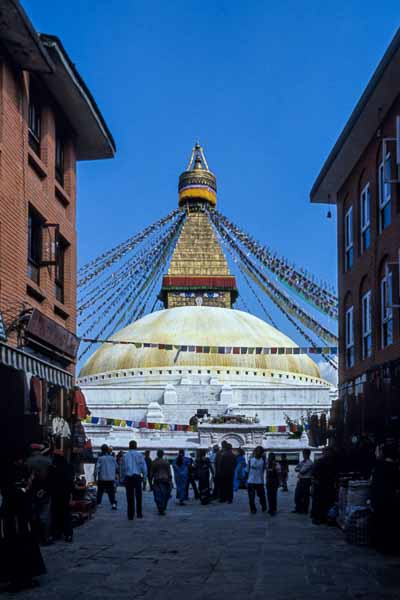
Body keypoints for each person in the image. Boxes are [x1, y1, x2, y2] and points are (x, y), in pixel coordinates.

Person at [0, 456, 46, 592]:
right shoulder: (13, 480)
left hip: (15, 518)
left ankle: (19, 577)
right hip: (16, 519)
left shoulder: (14, 476)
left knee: (16, 546)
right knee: (18, 546)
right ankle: (19, 579)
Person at [370, 443, 400, 554]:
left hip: (380, 499)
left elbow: (374, 484)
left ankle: (381, 545)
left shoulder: (379, 466)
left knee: (381, 522)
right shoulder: (396, 467)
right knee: (390, 523)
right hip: (392, 499)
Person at [26, 444, 53, 544]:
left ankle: (34, 537)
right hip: (45, 490)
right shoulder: (48, 460)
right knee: (45, 515)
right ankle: (45, 538)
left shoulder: (28, 461)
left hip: (32, 491)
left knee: (33, 515)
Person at [49, 454, 74, 542]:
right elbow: (71, 482)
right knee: (66, 514)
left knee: (56, 514)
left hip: (55, 494)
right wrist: (71, 495)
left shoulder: (53, 468)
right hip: (65, 494)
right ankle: (68, 534)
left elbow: (50, 481)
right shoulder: (69, 467)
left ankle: (57, 533)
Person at [310, 448, 337, 525]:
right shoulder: (322, 462)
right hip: (322, 485)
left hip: (325, 485)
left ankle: (320, 518)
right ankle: (319, 518)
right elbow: (314, 475)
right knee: (321, 502)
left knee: (322, 502)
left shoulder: (330, 462)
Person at [121, 440, 147, 520]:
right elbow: (144, 467)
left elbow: (123, 468)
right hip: (137, 477)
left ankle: (130, 515)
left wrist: (122, 478)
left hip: (128, 477)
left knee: (129, 496)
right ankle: (139, 513)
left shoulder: (125, 456)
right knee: (138, 496)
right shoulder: (140, 455)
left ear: (129, 446)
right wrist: (145, 477)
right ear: (136, 446)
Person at [94, 444, 117, 510]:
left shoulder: (100, 458)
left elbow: (97, 468)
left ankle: (99, 503)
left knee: (100, 491)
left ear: (101, 450)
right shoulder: (112, 458)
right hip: (110, 478)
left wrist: (95, 476)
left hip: (102, 478)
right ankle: (113, 504)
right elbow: (117, 467)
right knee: (111, 492)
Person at [151, 450, 173, 515]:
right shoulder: (166, 462)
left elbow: (151, 473)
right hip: (165, 480)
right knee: (165, 495)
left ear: (157, 454)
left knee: (158, 495)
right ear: (162, 454)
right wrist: (170, 481)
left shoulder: (154, 462)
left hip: (157, 480)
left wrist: (150, 481)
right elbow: (169, 473)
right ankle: (163, 507)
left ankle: (160, 507)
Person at [247, 446, 267, 514]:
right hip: (251, 481)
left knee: (261, 496)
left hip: (259, 481)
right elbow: (247, 470)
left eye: (260, 452)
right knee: (251, 497)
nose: (258, 453)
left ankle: (264, 506)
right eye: (257, 451)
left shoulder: (264, 461)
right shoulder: (250, 460)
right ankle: (253, 509)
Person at [293, 449, 314, 514]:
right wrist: (300, 468)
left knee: (305, 496)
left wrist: (300, 468)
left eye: (305, 454)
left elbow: (302, 471)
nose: (304, 455)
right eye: (303, 453)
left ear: (308, 454)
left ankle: (304, 510)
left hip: (306, 480)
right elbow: (296, 469)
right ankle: (298, 508)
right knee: (297, 495)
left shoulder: (309, 462)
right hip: (300, 480)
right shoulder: (302, 462)